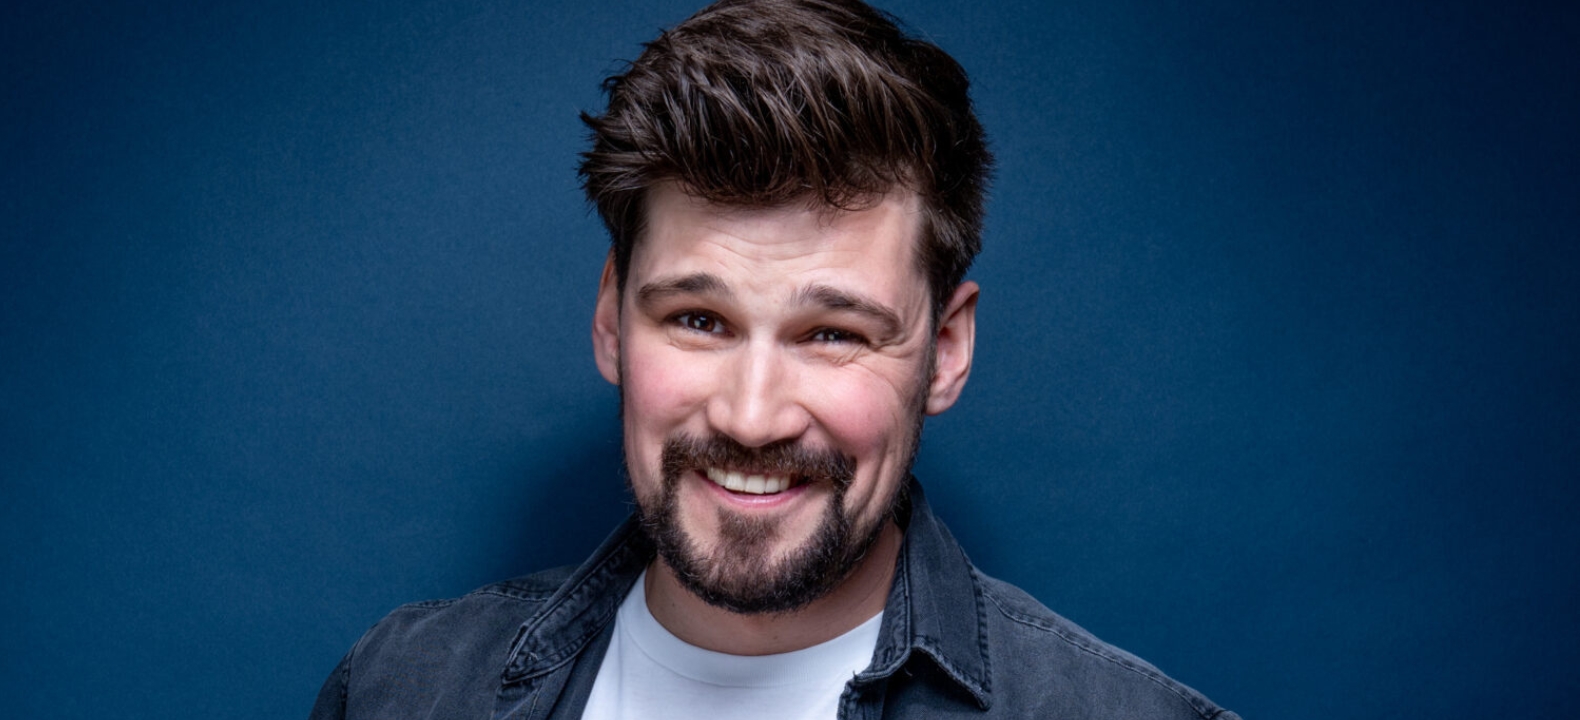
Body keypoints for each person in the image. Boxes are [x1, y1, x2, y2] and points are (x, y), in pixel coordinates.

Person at [310, 0, 1238, 717]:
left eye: (833, 334)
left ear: (946, 350)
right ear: (611, 318)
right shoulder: (399, 690)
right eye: (699, 320)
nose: (752, 417)